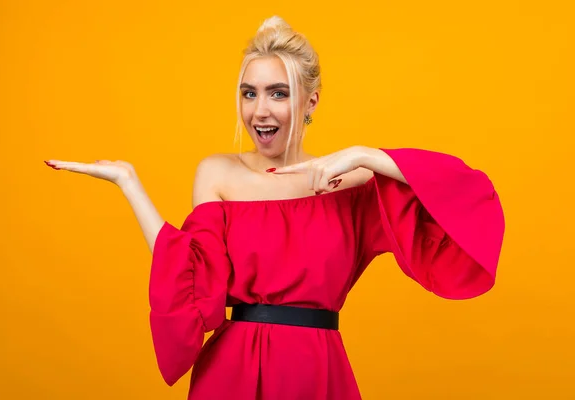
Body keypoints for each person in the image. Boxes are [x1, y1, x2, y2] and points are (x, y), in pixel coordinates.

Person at [44, 15, 505, 400]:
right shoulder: (217, 173)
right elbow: (189, 280)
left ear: (311, 102)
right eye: (250, 93)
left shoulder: (352, 182)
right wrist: (129, 184)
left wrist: (367, 156)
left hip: (318, 375)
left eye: (278, 93)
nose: (259, 111)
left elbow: (462, 197)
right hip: (231, 375)